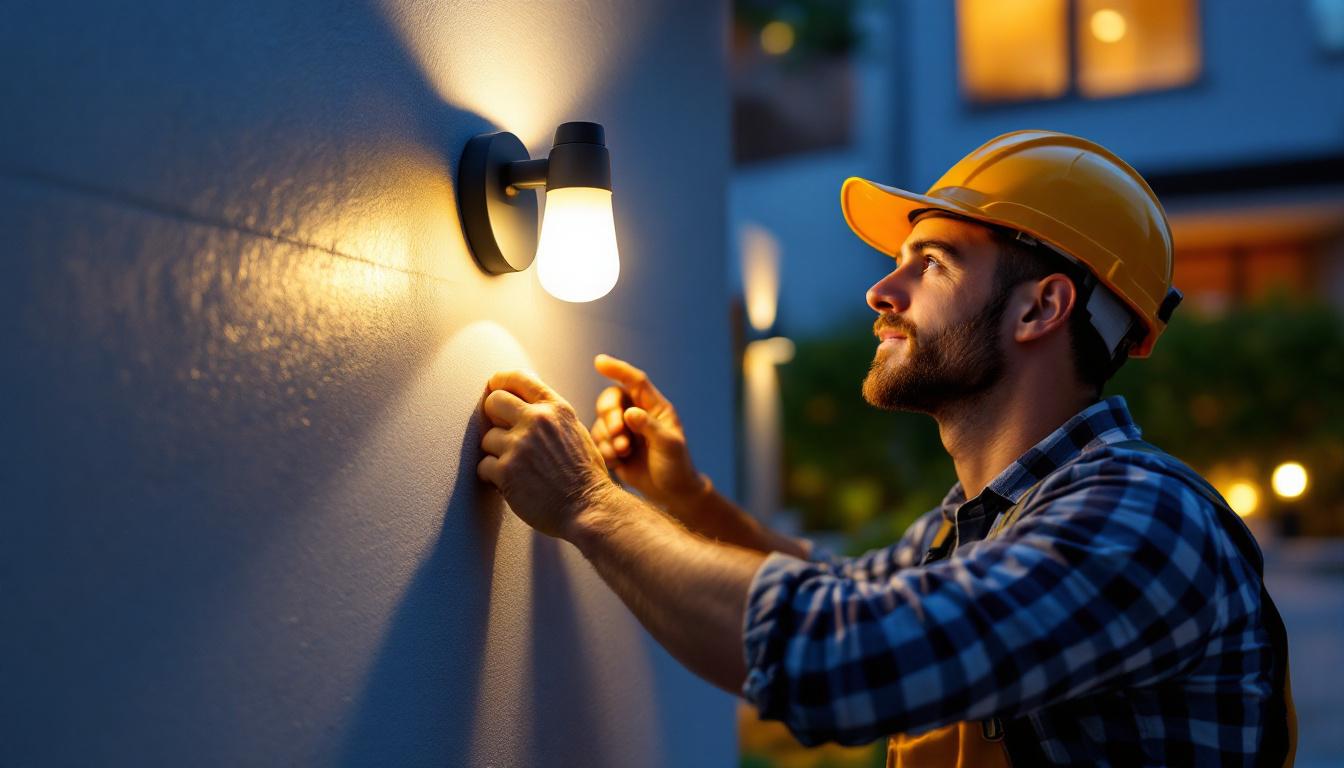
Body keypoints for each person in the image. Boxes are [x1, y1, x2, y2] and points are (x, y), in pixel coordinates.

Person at [476, 131, 1295, 766]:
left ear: (1040, 309)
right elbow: (842, 589)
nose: (880, 291)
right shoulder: (988, 519)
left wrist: (587, 504)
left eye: (930, 265)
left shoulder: (1141, 520)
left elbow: (847, 654)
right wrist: (686, 498)